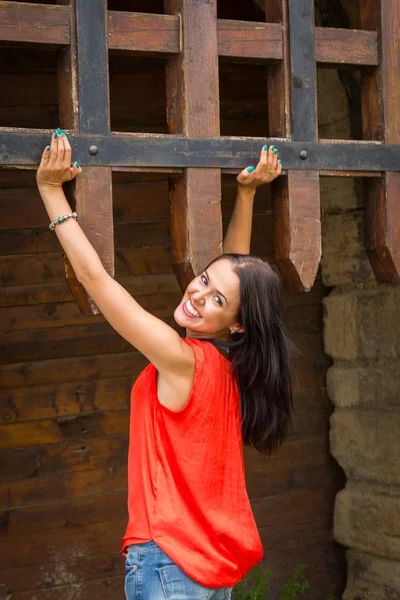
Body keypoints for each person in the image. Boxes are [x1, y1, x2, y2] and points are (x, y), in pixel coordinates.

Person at [36, 130, 293, 600]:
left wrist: (51, 192)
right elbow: (235, 279)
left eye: (214, 299)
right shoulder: (236, 365)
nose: (197, 294)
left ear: (234, 325)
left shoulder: (182, 360)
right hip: (209, 572)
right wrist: (247, 193)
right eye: (201, 279)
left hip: (167, 563)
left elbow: (97, 280)